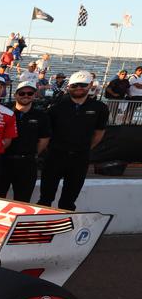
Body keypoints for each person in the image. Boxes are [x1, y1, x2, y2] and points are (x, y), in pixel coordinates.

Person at [38, 71, 109, 210]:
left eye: (83, 85)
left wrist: (84, 148)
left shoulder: (100, 108)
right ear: (69, 86)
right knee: (45, 198)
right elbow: (46, 133)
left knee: (68, 201)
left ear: (90, 85)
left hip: (80, 158)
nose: (78, 88)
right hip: (55, 156)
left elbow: (99, 133)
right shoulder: (56, 106)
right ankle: (41, 230)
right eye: (74, 85)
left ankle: (64, 231)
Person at [0, 79, 50, 201]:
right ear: (15, 95)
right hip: (3, 161)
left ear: (34, 95)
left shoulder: (41, 116)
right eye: (22, 93)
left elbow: (44, 139)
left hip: (27, 164)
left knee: (22, 201)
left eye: (30, 93)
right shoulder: (4, 112)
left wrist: (31, 153)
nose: (26, 96)